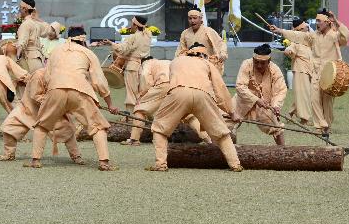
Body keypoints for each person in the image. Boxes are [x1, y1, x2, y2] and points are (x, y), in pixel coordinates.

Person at [27, 27, 119, 170]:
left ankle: (35, 160)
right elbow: (99, 82)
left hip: (55, 89)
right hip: (80, 90)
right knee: (98, 126)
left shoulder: (55, 51)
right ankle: (104, 162)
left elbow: (47, 76)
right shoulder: (88, 53)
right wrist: (110, 105)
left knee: (42, 125)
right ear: (83, 39)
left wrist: (53, 100)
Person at [147, 42, 242, 172]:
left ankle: (161, 164)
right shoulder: (207, 63)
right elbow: (220, 89)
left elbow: (172, 83)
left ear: (188, 52)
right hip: (203, 95)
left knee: (159, 129)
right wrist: (231, 112)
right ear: (203, 54)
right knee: (221, 131)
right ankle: (235, 164)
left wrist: (178, 113)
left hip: (178, 92)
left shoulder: (176, 61)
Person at [269, 9, 349, 138]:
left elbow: (346, 35)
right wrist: (280, 31)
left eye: (319, 21)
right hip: (316, 72)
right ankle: (319, 126)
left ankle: (327, 125)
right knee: (314, 99)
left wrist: (335, 20)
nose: (317, 23)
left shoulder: (335, 36)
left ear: (327, 22)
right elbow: (298, 36)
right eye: (316, 20)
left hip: (330, 74)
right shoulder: (314, 36)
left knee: (327, 102)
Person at [0, 67, 86, 164]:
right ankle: (9, 153)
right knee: (10, 128)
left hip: (51, 110)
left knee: (67, 131)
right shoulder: (39, 75)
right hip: (29, 107)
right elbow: (35, 95)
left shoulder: (65, 76)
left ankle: (76, 156)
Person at [231, 44, 287, 145]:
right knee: (227, 125)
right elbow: (240, 86)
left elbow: (280, 91)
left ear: (269, 61)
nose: (259, 65)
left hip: (265, 106)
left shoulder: (275, 70)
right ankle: (232, 152)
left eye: (262, 63)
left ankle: (284, 152)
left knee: (276, 126)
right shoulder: (246, 64)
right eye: (256, 62)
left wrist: (276, 106)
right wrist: (256, 99)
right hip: (243, 101)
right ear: (253, 59)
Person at [101, 15, 152, 114]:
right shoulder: (148, 34)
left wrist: (111, 43)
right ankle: (142, 113)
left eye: (132, 24)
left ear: (135, 25)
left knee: (131, 92)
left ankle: (132, 115)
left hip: (133, 67)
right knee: (141, 91)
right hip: (145, 65)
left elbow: (122, 49)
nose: (130, 26)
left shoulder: (133, 37)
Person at [121, 57, 172, 146]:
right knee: (188, 115)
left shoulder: (147, 63)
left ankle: (134, 139)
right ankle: (205, 136)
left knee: (140, 110)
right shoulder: (168, 61)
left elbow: (145, 77)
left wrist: (141, 95)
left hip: (163, 84)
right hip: (179, 86)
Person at [282, 17, 314, 125]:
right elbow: (289, 49)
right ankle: (304, 119)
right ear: (300, 29)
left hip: (309, 70)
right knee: (304, 95)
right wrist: (288, 51)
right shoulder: (295, 42)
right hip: (300, 70)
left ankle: (289, 114)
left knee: (305, 94)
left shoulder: (308, 40)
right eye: (305, 27)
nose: (307, 28)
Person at [15, 0, 46, 72]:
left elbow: (21, 43)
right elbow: (46, 30)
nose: (19, 10)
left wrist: (17, 59)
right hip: (39, 61)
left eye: (20, 8)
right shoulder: (36, 24)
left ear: (25, 9)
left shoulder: (26, 24)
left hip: (30, 62)